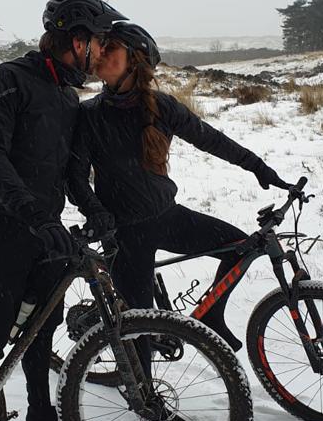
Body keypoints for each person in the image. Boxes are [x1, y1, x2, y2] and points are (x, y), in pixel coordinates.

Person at [0, 0, 124, 421]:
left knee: (43, 326)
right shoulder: (7, 81)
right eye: (95, 43)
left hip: (46, 234)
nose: (99, 53)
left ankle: (37, 410)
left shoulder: (66, 97)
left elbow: (70, 172)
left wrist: (94, 207)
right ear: (74, 40)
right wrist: (32, 213)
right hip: (2, 235)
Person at [67, 21, 290, 378]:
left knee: (240, 248)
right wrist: (95, 212)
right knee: (138, 330)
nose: (101, 54)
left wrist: (257, 167)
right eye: (101, 47)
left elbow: (211, 139)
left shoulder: (161, 107)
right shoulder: (90, 115)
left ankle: (211, 316)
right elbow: (75, 178)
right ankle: (143, 397)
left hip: (167, 217)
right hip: (124, 234)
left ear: (134, 61)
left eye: (111, 48)